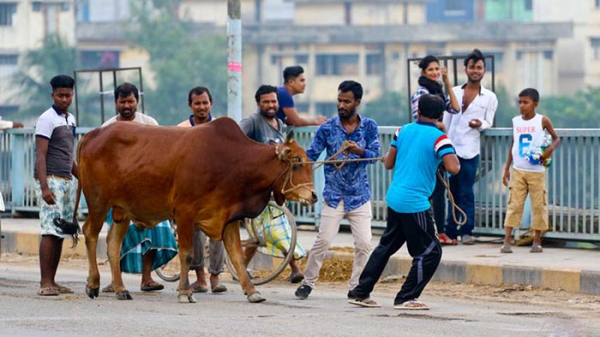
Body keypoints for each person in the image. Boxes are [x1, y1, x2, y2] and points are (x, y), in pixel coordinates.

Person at [348, 94, 460, 310]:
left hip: (395, 197)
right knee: (430, 252)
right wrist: (441, 161)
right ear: (440, 115)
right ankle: (406, 297)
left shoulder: (403, 130)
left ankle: (360, 292)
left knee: (386, 246)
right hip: (414, 202)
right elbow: (454, 168)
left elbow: (389, 163)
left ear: (418, 112)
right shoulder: (440, 138)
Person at [295, 80, 380, 300]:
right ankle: (308, 283)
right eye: (339, 100)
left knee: (364, 244)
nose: (341, 105)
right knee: (322, 241)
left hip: (359, 196)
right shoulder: (327, 128)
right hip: (333, 196)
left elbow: (375, 156)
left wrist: (359, 150)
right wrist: (296, 160)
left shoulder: (369, 126)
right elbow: (312, 155)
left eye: (346, 101)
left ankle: (356, 287)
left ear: (357, 102)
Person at [101, 83, 177, 293]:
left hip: (148, 191)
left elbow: (162, 154)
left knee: (155, 231)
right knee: (115, 234)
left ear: (137, 101)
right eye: (122, 101)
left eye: (130, 101)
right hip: (118, 193)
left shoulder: (149, 123)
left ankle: (147, 278)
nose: (127, 105)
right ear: (116, 102)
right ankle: (115, 279)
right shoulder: (107, 128)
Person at [239, 84, 306, 283]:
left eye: (274, 101)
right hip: (256, 188)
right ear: (258, 103)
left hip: (274, 187)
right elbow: (237, 139)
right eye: (266, 102)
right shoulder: (252, 122)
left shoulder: (279, 123)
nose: (270, 105)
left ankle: (240, 266)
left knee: (264, 232)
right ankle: (294, 267)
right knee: (266, 231)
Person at [442, 49, 498, 245]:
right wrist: (442, 145)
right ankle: (450, 231)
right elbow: (446, 119)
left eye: (479, 67)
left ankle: (467, 230)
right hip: (450, 150)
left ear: (484, 70)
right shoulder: (455, 91)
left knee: (466, 191)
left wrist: (479, 124)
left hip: (470, 150)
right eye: (472, 67)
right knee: (451, 193)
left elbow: (488, 122)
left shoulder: (489, 97)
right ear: (466, 69)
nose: (476, 71)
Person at [176, 86, 227, 293]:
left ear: (211, 103)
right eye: (197, 103)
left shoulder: (220, 128)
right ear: (190, 105)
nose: (202, 107)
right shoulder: (180, 130)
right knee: (194, 234)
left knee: (218, 233)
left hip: (216, 190)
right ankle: (200, 279)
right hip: (190, 192)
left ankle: (215, 278)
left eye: (205, 102)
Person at [500, 88, 560, 254]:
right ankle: (506, 240)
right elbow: (514, 144)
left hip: (536, 170)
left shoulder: (542, 121)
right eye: (520, 102)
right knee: (514, 203)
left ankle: (537, 240)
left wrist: (549, 150)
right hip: (518, 169)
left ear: (535, 104)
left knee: (538, 204)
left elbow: (556, 138)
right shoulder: (516, 121)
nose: (522, 106)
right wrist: (507, 168)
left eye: (525, 102)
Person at [34, 74, 78, 296]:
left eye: (68, 95)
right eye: (60, 95)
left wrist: (84, 179)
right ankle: (44, 282)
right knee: (50, 230)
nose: (64, 99)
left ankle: (53, 279)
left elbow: (69, 157)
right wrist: (44, 187)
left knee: (61, 231)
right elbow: (40, 155)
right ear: (52, 95)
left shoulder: (70, 120)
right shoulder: (46, 119)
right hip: (51, 179)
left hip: (67, 180)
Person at [411, 55, 460, 245]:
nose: (434, 73)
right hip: (426, 144)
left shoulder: (437, 90)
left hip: (436, 145)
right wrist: (441, 126)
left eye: (436, 69)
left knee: (440, 190)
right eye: (430, 69)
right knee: (427, 190)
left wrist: (447, 82)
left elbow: (455, 108)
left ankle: (438, 232)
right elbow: (421, 119)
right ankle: (429, 231)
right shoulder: (420, 93)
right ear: (424, 72)